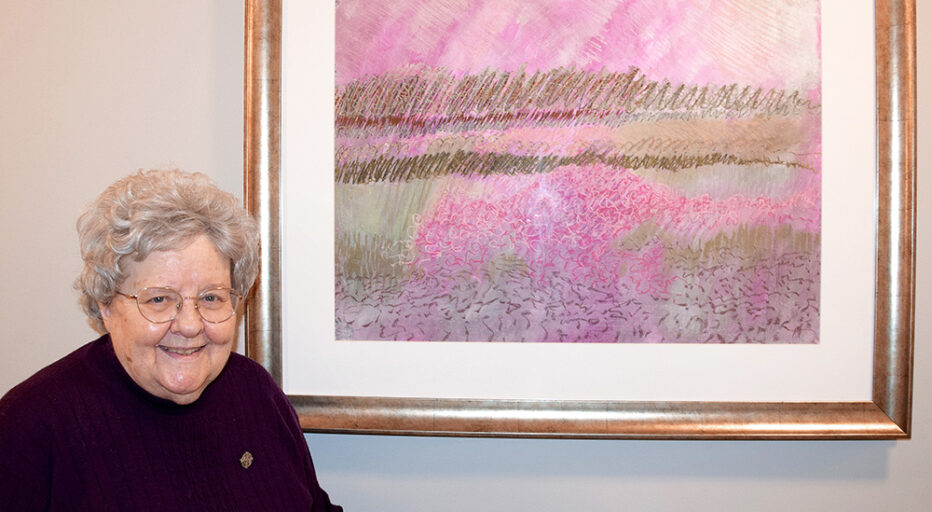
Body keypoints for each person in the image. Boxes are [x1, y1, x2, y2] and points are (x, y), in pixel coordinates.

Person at [0, 169, 342, 511]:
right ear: (106, 305)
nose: (190, 325)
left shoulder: (255, 392)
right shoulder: (30, 426)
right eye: (159, 299)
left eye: (211, 298)